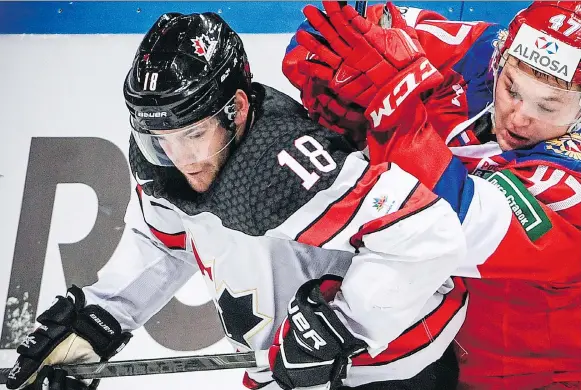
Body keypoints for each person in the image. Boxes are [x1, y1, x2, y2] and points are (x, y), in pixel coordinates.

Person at [4, 11, 469, 390]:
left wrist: (346, 322)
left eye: (194, 134)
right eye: (160, 138)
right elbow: (168, 240)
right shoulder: (166, 162)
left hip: (393, 369)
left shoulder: (288, 165)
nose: (181, 157)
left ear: (238, 110)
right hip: (289, 372)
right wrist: (102, 315)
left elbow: (428, 236)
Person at [282, 1, 581, 389]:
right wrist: (336, 75)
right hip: (434, 348)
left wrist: (393, 103)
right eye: (512, 89)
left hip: (538, 374)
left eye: (549, 106)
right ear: (502, 57)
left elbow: (447, 224)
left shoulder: (570, 185)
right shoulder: (479, 52)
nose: (519, 116)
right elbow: (325, 36)